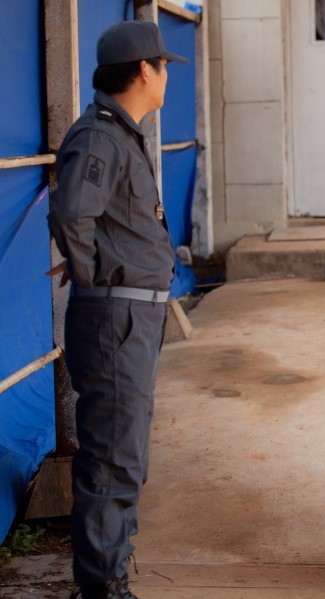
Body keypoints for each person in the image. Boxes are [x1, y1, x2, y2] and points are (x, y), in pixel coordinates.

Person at [47, 20, 188, 599]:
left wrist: (97, 261)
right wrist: (93, 275)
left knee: (124, 450)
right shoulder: (101, 135)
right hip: (115, 320)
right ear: (143, 71)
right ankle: (102, 585)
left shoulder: (120, 133)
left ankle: (109, 569)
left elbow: (96, 221)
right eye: (164, 66)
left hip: (129, 318)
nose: (167, 76)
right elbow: (72, 212)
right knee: (112, 457)